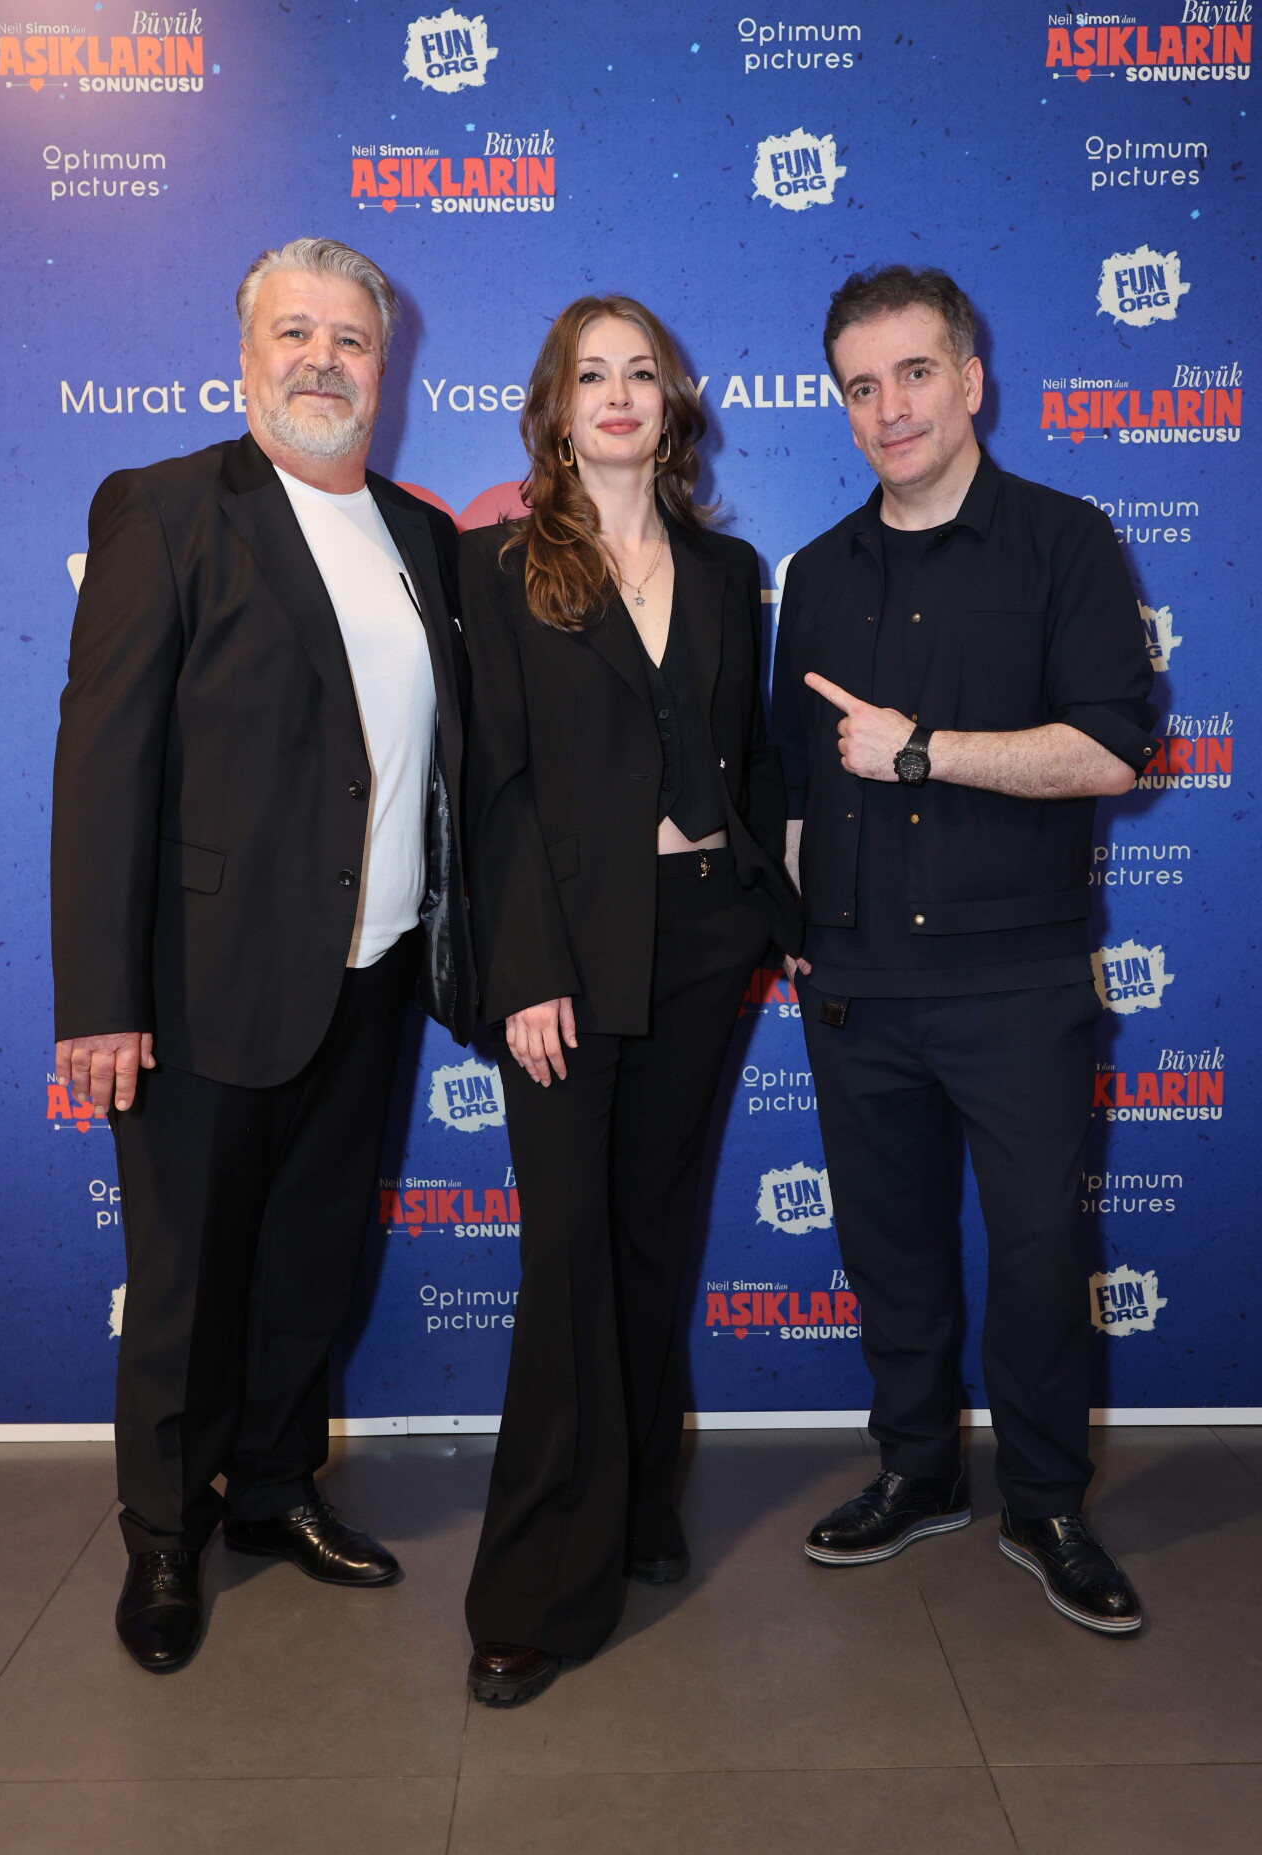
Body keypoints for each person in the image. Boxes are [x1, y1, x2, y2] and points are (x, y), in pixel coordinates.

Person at [50, 237, 474, 1673]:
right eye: (294, 333)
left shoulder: (421, 537)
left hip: (376, 973)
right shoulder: (167, 507)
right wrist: (101, 999)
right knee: (186, 1282)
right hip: (201, 983)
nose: (322, 361)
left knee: (309, 1259)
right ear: (245, 358)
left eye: (350, 339)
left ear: (384, 367)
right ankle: (165, 1538)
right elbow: (103, 765)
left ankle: (277, 1491)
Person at [772, 266, 1156, 1634]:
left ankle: (1045, 1505)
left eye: (916, 373)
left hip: (1017, 986)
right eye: (862, 386)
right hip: (858, 986)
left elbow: (1111, 750)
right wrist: (802, 935)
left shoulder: (1065, 542)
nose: (891, 407)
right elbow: (796, 784)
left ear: (972, 378)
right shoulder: (818, 573)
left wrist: (923, 750)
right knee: (889, 1251)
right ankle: (918, 1471)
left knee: (1041, 1255)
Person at [459, 294, 801, 1705]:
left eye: (640, 373)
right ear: (555, 408)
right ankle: (537, 1587)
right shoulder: (500, 566)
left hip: (707, 936)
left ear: (671, 405)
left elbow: (749, 755)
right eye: (589, 374)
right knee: (569, 1253)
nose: (616, 393)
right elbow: (493, 786)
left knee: (656, 1236)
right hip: (567, 953)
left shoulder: (725, 569)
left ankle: (640, 1507)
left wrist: (779, 915)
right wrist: (526, 967)